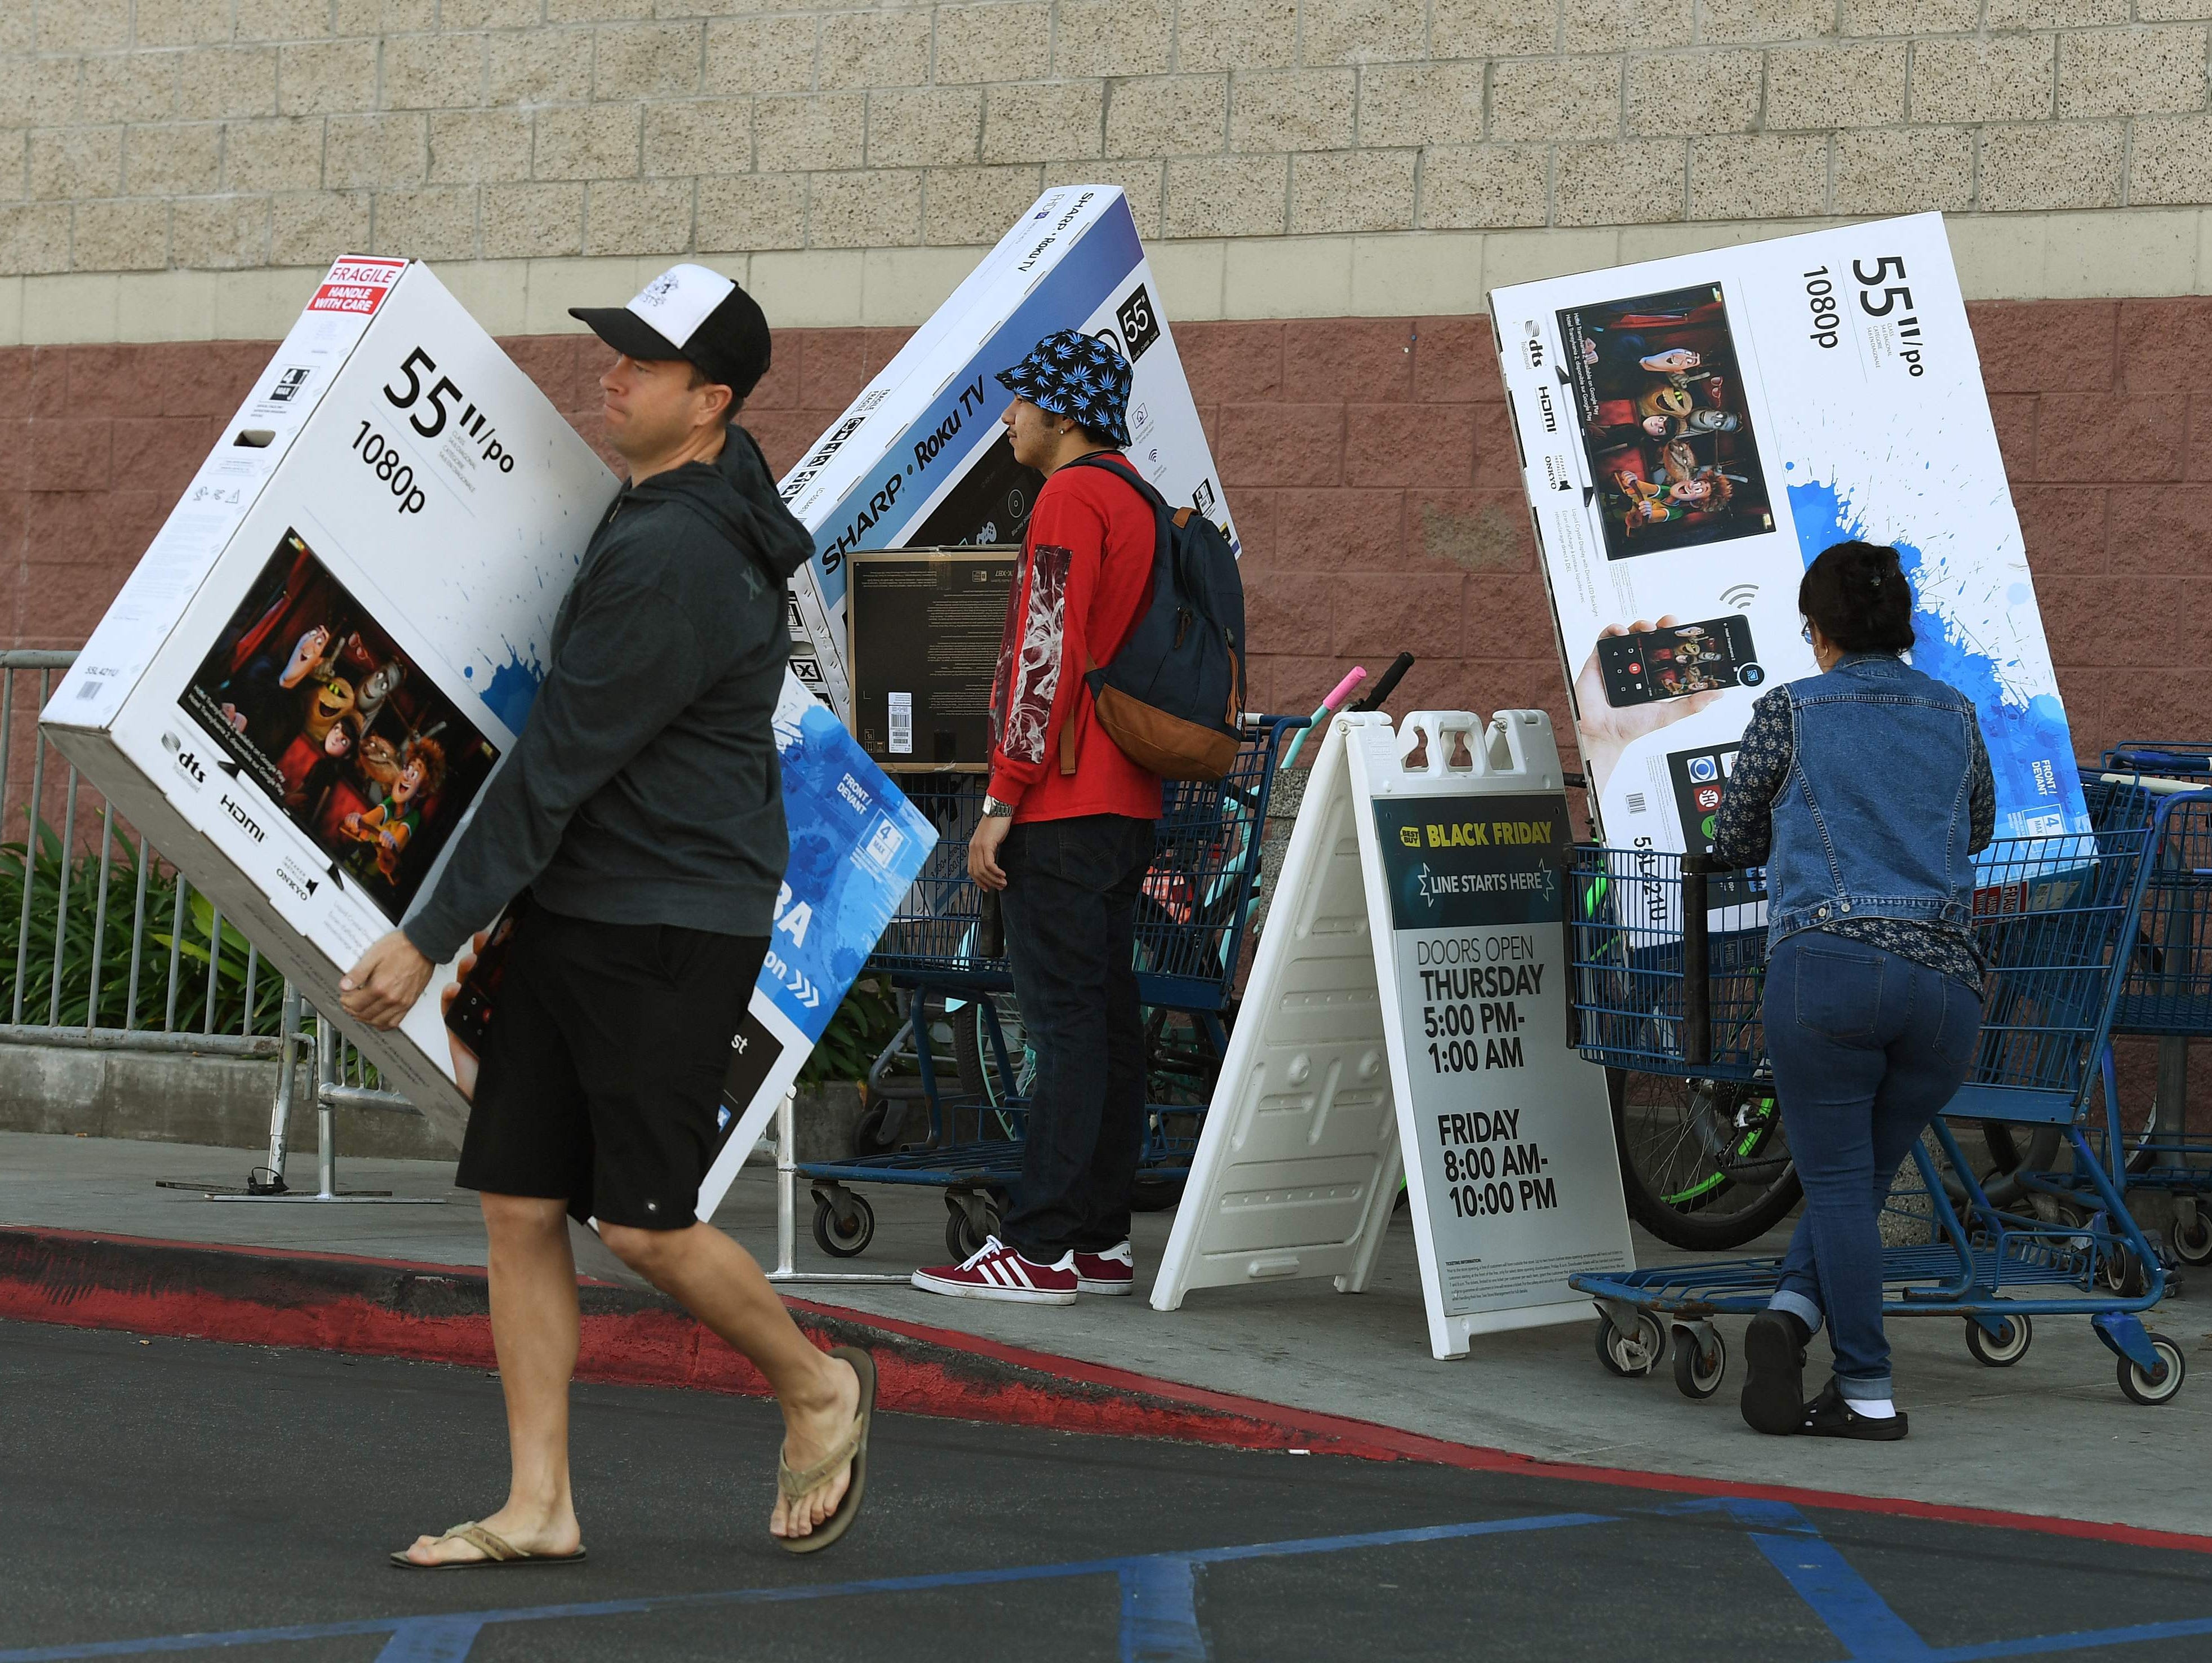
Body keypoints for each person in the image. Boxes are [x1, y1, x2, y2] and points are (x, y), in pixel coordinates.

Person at [337, 264, 877, 1560]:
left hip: (666, 920)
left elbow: (558, 763)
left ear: (713, 400)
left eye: (644, 362)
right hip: (586, 904)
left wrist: (428, 936)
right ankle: (540, 1506)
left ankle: (817, 1385)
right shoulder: (683, 503)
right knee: (520, 1201)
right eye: (616, 351)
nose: (611, 375)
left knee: (641, 1218)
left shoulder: (675, 551)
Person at [1711, 540, 1994, 1441]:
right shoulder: (1954, 713)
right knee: (1860, 1179)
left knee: (1834, 1186)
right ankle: (1790, 1316)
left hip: (1828, 971)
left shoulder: (1790, 710)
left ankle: (1866, 1388)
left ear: (1818, 630)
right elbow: (1978, 828)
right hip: (1943, 985)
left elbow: (1732, 837)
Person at [908, 329, 1162, 1307]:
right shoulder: (1137, 498)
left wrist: (1000, 799)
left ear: (1061, 413)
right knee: (1104, 1022)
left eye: (1021, 401)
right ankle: (1096, 1239)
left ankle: (1040, 1244)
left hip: (1061, 799)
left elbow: (1041, 655)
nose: (1007, 416)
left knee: (1060, 1027)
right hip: (1125, 799)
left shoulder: (1069, 496)